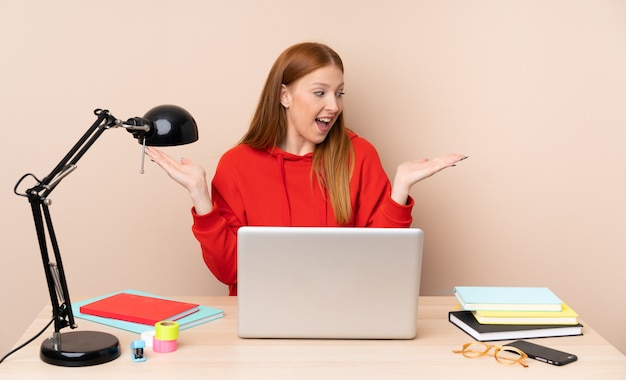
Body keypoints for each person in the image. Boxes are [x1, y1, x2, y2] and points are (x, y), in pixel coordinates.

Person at [145, 42, 466, 295]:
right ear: (284, 95)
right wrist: (201, 197)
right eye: (319, 92)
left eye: (339, 93)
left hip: (347, 312)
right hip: (263, 320)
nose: (334, 105)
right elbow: (229, 271)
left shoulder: (360, 155)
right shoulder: (237, 164)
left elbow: (381, 261)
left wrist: (400, 189)